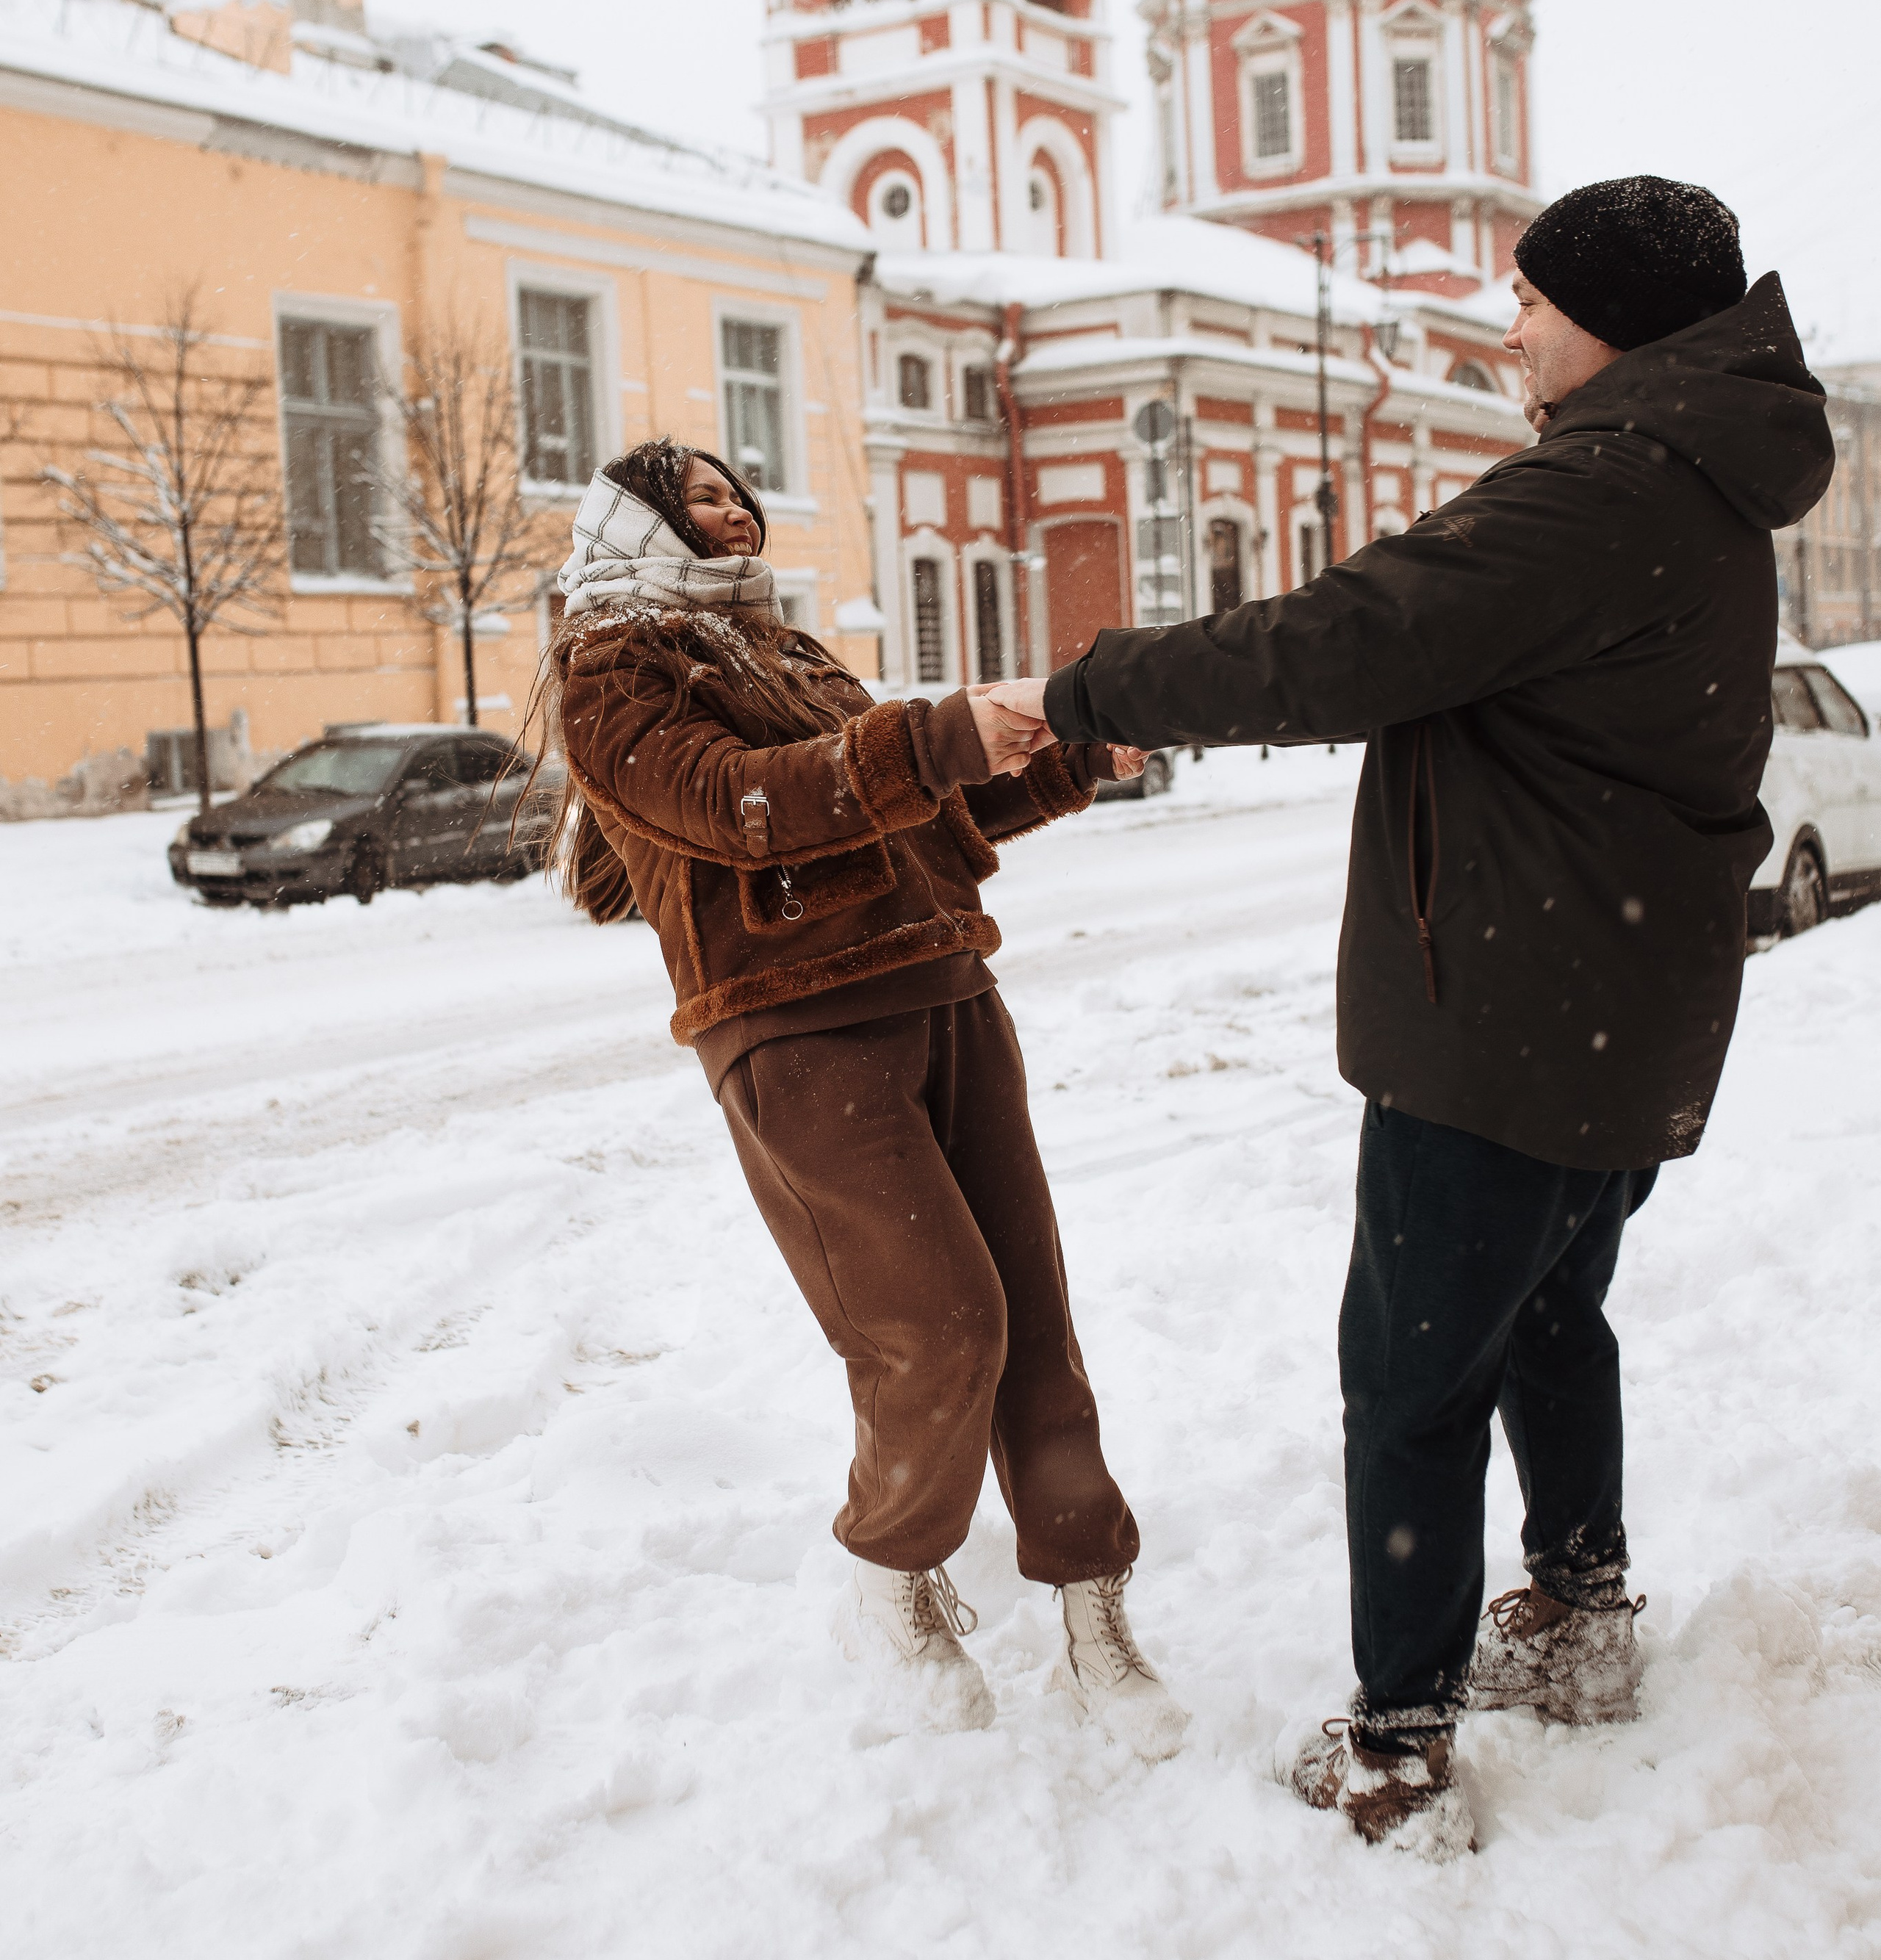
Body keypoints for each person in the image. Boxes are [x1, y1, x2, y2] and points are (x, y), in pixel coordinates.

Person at [989, 177, 1833, 1854]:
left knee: (1412, 1375)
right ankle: (1580, 1610)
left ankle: (1395, 1742)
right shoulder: (1700, 479)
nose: (1501, 326)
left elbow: (1344, 639)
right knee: (1546, 1316)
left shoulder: (1601, 485)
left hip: (1506, 1016)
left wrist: (1077, 692)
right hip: (1612, 1008)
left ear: (1613, 321)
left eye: (1529, 299)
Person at [538, 438, 1187, 1759]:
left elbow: (912, 814)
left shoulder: (781, 650)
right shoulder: (612, 668)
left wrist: (1064, 759)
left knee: (1035, 1314)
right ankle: (893, 1582)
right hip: (796, 1032)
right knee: (940, 1326)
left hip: (945, 987)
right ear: (635, 522)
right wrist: (935, 730)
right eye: (698, 498)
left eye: (737, 494)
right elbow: (740, 807)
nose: (732, 514)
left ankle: (1091, 1599)